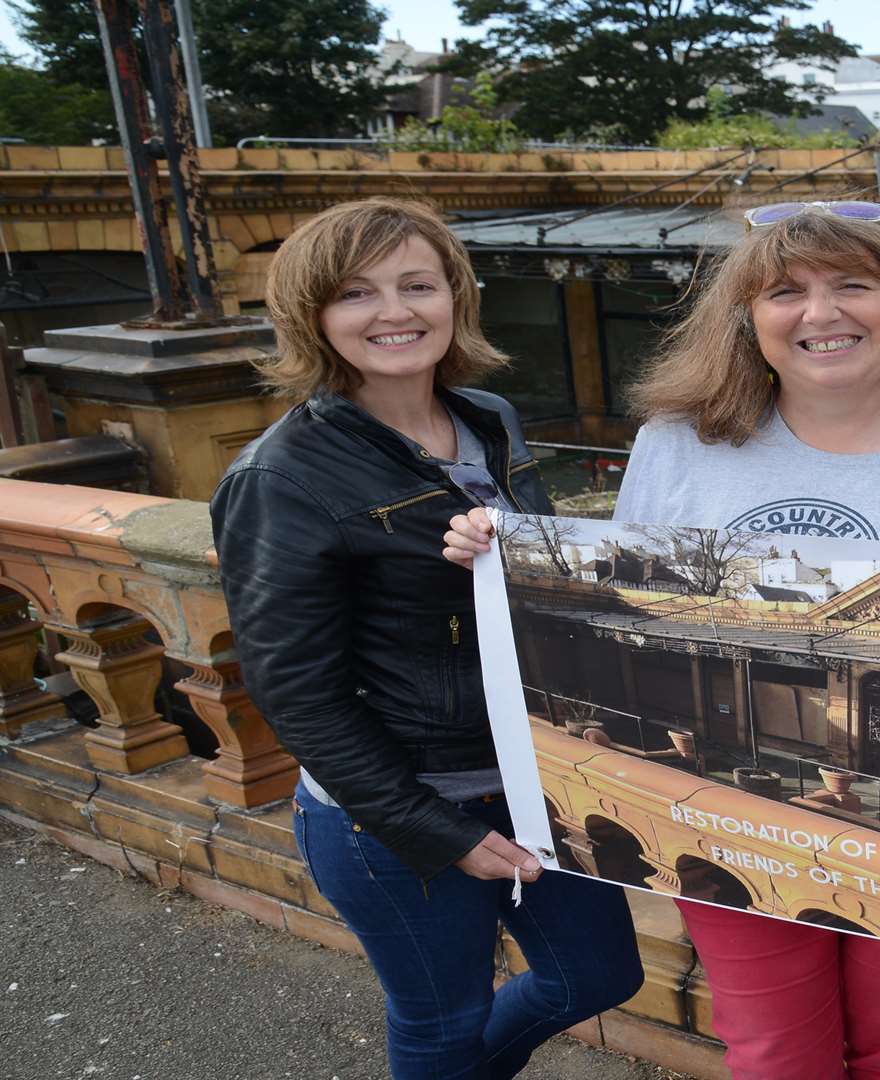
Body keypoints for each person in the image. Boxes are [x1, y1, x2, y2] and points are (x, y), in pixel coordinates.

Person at [446, 199, 880, 1079]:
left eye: (853, 286)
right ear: (746, 319)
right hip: (730, 815)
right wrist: (504, 555)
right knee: (774, 1056)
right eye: (784, 291)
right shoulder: (678, 443)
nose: (820, 313)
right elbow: (617, 602)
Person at [211, 197, 643, 1080]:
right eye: (357, 294)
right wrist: (431, 829)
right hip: (395, 811)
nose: (395, 312)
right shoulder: (280, 475)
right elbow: (295, 690)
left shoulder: (488, 415)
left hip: (530, 781)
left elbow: (534, 578)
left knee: (596, 974)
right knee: (442, 1022)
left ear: (455, 295)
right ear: (314, 317)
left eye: (418, 283)